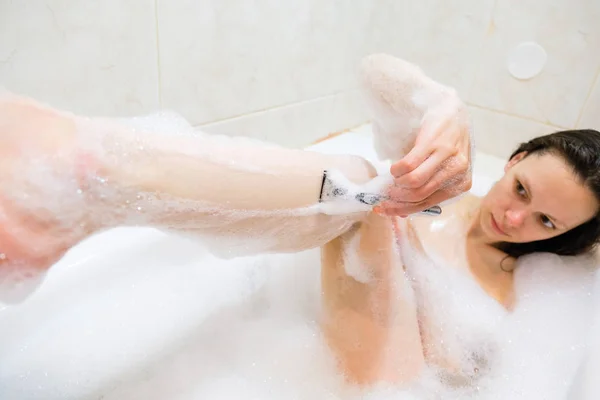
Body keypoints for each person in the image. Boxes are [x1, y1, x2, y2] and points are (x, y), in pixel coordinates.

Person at [0, 53, 472, 279]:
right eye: (521, 191)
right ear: (513, 161)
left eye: (546, 222)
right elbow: (374, 71)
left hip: (395, 362)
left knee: (360, 195)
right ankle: (99, 179)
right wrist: (441, 104)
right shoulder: (449, 193)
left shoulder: (525, 287)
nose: (516, 219)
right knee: (359, 183)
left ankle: (96, 179)